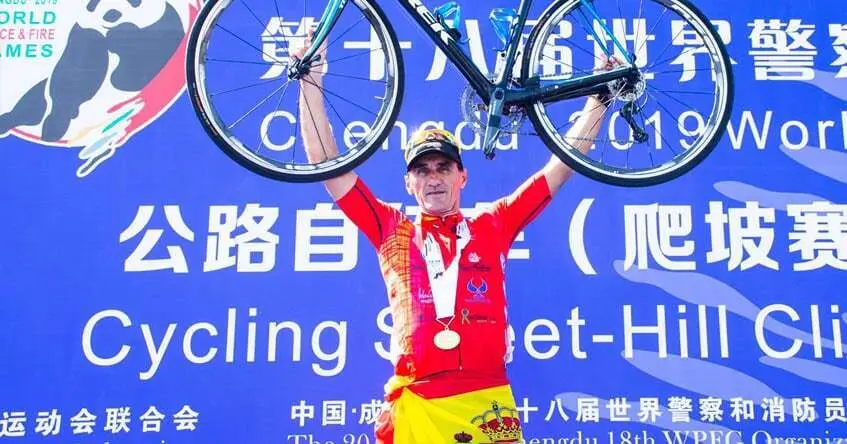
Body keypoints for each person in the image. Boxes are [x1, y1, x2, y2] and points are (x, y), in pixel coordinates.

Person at [293, 32, 616, 444]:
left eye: (443, 168)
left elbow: (560, 168)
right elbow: (327, 165)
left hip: (487, 400)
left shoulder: (493, 222)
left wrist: (599, 99)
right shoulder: (392, 228)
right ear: (409, 183)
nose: (433, 178)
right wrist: (311, 81)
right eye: (422, 170)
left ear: (462, 176)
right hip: (420, 406)